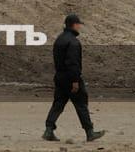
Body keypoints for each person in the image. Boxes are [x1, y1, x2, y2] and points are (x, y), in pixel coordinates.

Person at [43, 13, 106, 142]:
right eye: (78, 24)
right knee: (81, 104)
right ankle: (90, 132)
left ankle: (48, 130)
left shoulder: (59, 39)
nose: (79, 27)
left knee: (58, 104)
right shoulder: (73, 42)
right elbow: (73, 63)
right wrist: (75, 80)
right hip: (70, 78)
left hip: (59, 76)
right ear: (74, 25)